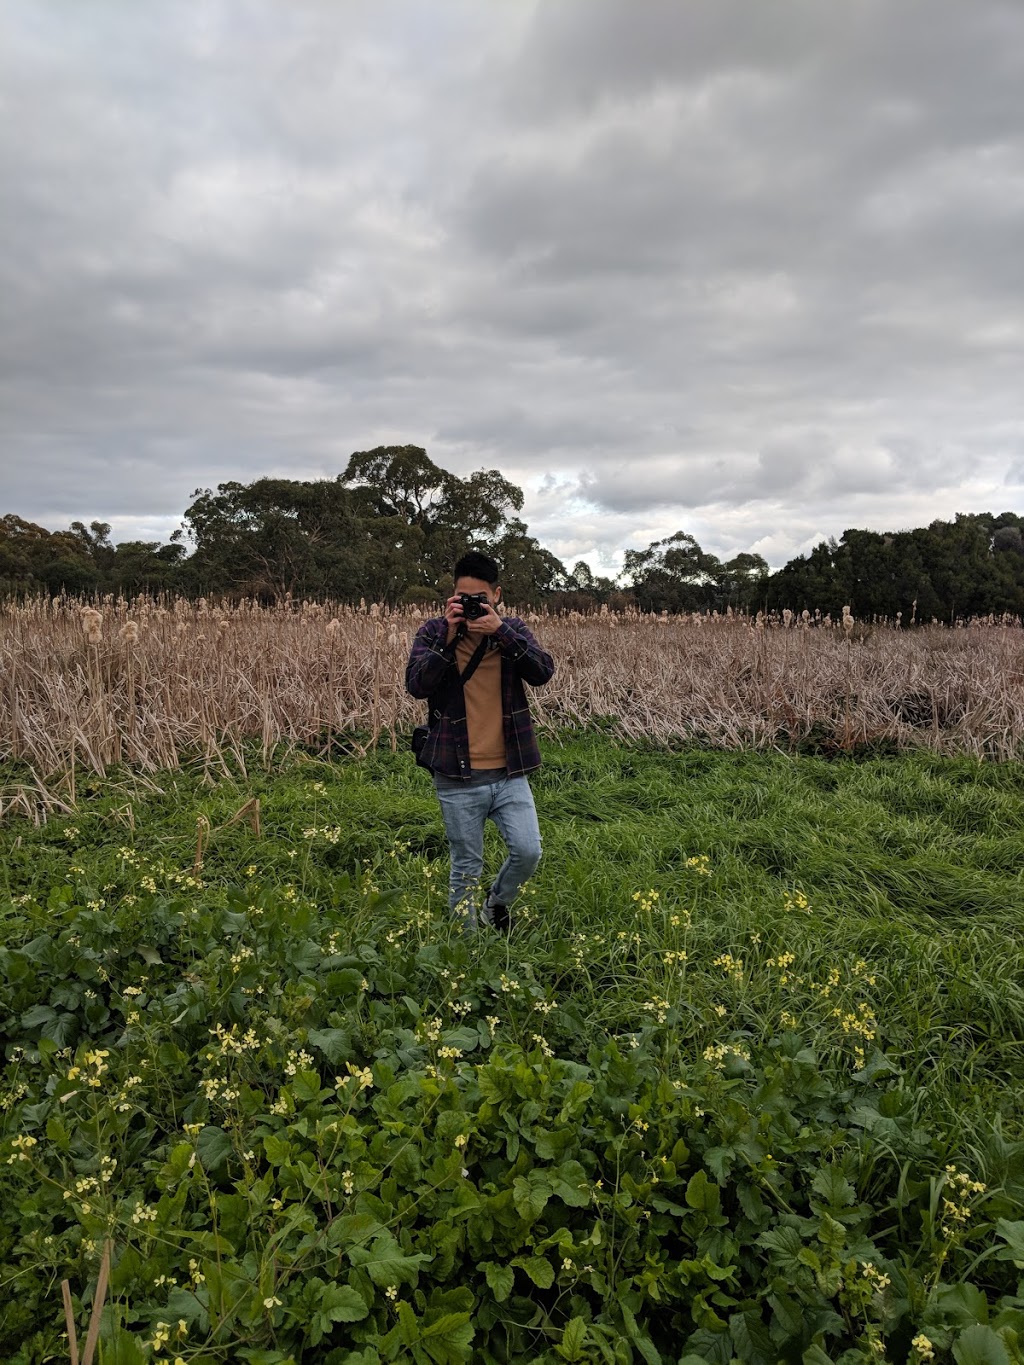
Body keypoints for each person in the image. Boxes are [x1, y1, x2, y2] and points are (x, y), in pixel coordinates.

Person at [405, 550, 555, 933]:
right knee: (466, 865)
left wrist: (499, 632)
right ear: (452, 597)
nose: (471, 606)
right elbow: (416, 686)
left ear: (497, 595)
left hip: (510, 771)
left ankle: (497, 903)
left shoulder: (513, 630)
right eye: (462, 598)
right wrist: (449, 641)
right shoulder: (434, 632)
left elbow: (542, 672)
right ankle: (466, 949)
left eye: (479, 600)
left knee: (528, 851)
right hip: (457, 775)